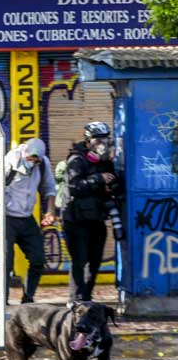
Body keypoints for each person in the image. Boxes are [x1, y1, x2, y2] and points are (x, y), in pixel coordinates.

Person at [0, 137, 57, 305]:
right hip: (5, 217)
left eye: (36, 159)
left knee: (38, 259)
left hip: (26, 218)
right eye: (30, 159)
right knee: (6, 262)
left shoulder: (42, 164)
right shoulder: (8, 162)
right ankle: (2, 303)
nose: (32, 162)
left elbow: (49, 189)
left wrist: (50, 211)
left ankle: (27, 298)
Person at [63, 122, 118, 303]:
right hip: (76, 221)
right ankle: (76, 299)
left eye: (105, 139)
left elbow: (114, 185)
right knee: (80, 261)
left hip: (96, 219)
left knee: (95, 261)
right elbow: (74, 187)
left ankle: (87, 297)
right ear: (88, 141)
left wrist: (112, 182)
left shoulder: (105, 162)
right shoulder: (77, 160)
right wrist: (97, 178)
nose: (102, 143)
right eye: (97, 139)